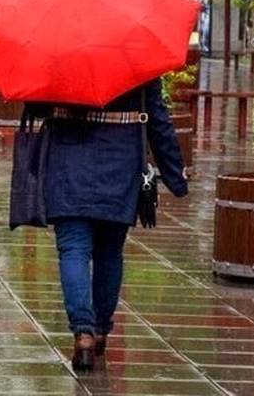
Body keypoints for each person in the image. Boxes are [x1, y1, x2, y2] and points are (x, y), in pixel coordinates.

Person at [36, 79, 187, 371]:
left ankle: (83, 334)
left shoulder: (59, 52)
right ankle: (101, 329)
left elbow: (36, 105)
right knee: (109, 252)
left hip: (69, 163)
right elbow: (157, 118)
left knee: (73, 250)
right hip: (119, 161)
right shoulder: (137, 54)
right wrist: (175, 177)